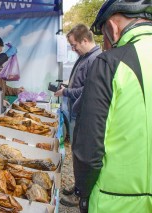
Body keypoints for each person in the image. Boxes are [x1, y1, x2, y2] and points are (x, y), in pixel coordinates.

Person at [72, 1, 152, 212]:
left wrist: (82, 190)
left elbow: (89, 147)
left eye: (104, 36)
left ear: (113, 27)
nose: (105, 44)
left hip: (116, 200)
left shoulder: (109, 63)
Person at [54, 24, 102, 207]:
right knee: (76, 153)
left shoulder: (95, 59)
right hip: (77, 112)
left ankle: (80, 194)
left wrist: (67, 92)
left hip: (83, 115)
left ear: (85, 40)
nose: (73, 49)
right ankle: (77, 187)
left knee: (81, 155)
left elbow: (88, 89)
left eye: (74, 45)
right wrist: (68, 87)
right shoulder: (85, 56)